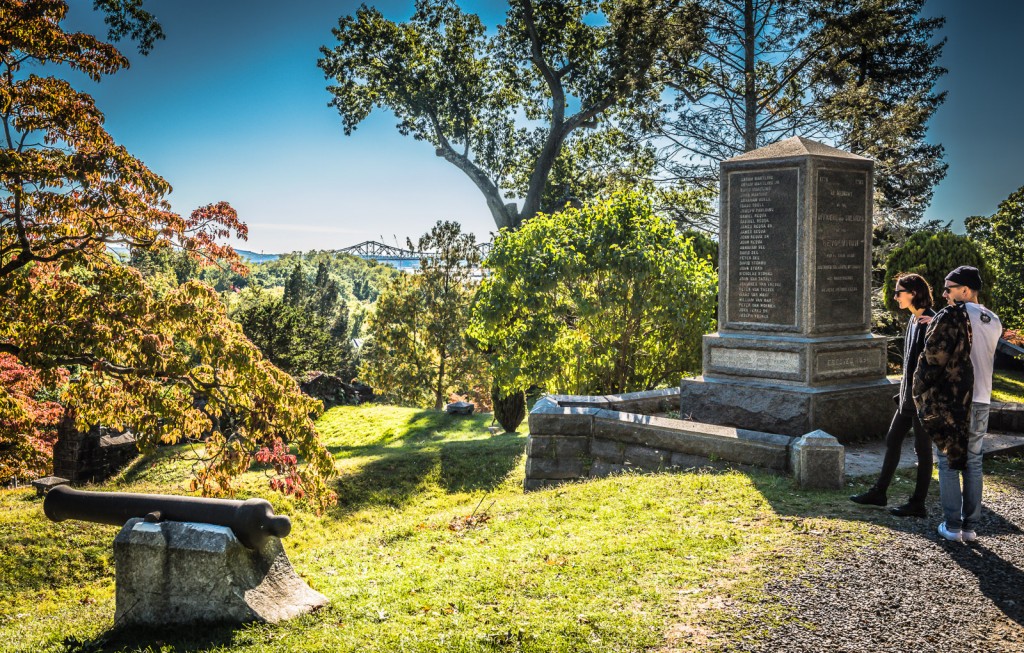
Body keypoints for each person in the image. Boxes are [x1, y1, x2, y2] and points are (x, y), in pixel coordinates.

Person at [917, 266, 1001, 542]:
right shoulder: (993, 320)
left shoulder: (953, 316)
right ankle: (970, 526)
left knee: (948, 460)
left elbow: (934, 356)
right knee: (974, 461)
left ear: (965, 290)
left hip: (954, 401)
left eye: (949, 288)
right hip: (982, 399)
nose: (944, 294)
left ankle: (952, 526)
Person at [850, 273, 935, 516]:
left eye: (899, 292)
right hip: (907, 398)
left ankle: (918, 503)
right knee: (893, 439)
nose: (895, 296)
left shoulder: (931, 321)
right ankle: (879, 492)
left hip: (922, 400)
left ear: (914, 293)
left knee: (922, 448)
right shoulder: (912, 320)